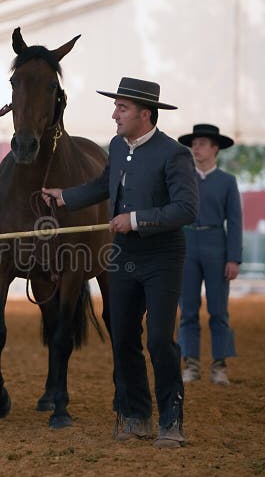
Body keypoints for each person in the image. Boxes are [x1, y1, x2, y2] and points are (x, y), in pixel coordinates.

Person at [42, 77, 198, 448]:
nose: (114, 114)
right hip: (124, 255)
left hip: (162, 257)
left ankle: (171, 422)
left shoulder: (174, 154)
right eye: (116, 107)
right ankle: (136, 416)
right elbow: (104, 184)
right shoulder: (117, 145)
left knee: (160, 340)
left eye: (121, 108)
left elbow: (187, 209)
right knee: (124, 338)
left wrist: (136, 220)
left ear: (145, 114)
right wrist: (66, 197)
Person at [177, 124, 242, 385]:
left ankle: (220, 366)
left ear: (215, 148)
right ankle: (190, 364)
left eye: (202, 143)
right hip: (187, 244)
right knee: (188, 310)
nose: (196, 148)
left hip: (217, 244)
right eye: (194, 143)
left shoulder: (227, 181)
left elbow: (235, 222)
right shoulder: (182, 179)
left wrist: (234, 258)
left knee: (218, 310)